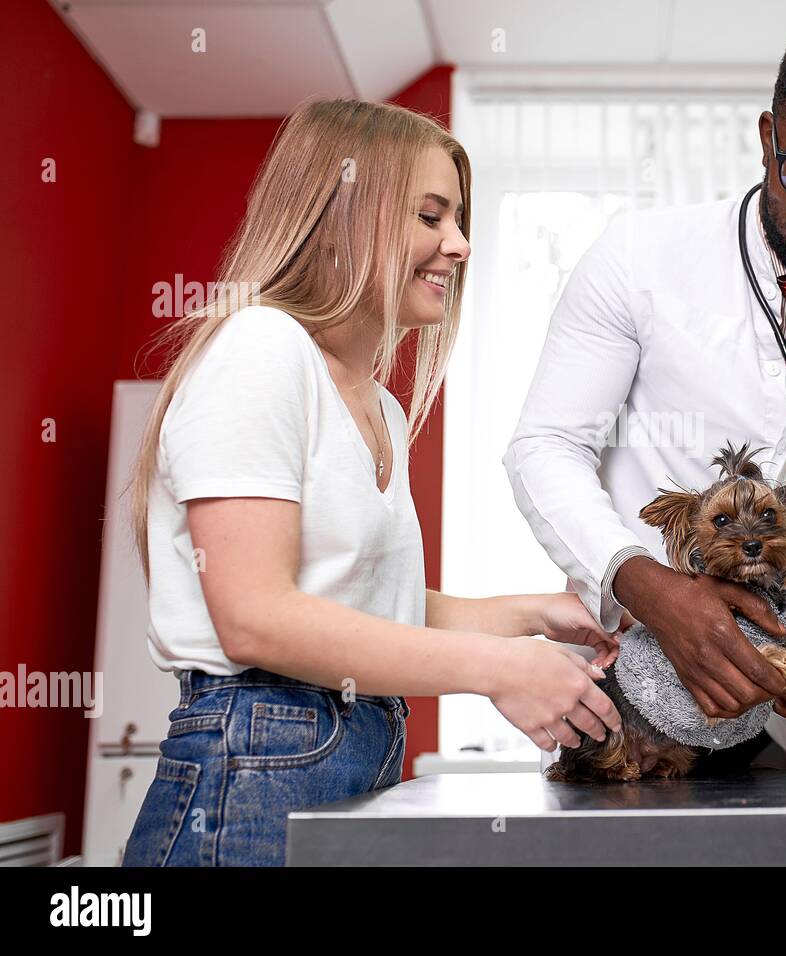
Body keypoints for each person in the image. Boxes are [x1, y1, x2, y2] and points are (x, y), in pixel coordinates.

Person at [121, 99, 620, 867]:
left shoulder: (380, 406)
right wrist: (496, 669)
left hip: (347, 751)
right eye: (430, 216)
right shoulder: (260, 348)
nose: (458, 245)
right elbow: (255, 617)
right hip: (252, 764)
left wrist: (528, 616)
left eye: (458, 219)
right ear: (343, 216)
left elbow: (348, 602)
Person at [503, 2, 786, 770]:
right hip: (630, 702)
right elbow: (544, 448)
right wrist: (640, 582)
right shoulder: (639, 256)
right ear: (766, 138)